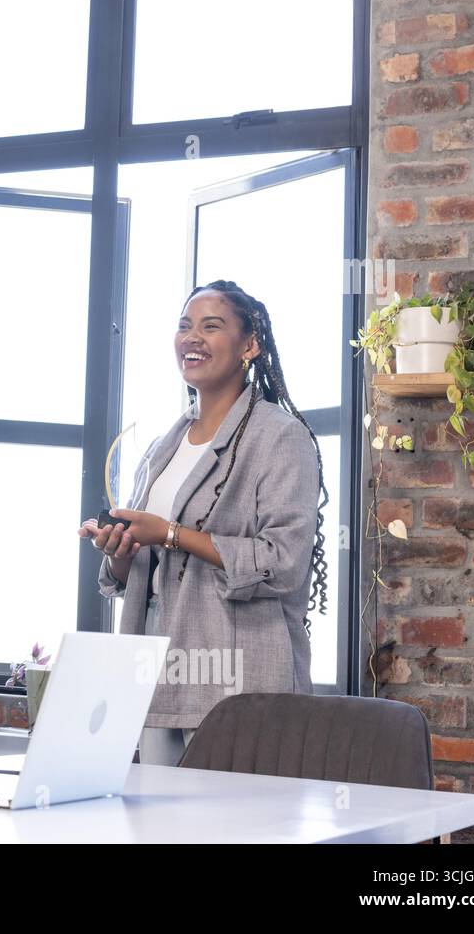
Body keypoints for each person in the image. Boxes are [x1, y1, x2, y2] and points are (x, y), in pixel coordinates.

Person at [79, 280, 328, 767]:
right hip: (158, 677)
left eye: (211, 326)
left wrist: (170, 534)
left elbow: (283, 564)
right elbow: (145, 576)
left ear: (250, 345)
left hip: (240, 679)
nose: (192, 337)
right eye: (184, 326)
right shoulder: (161, 448)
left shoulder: (280, 438)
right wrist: (122, 549)